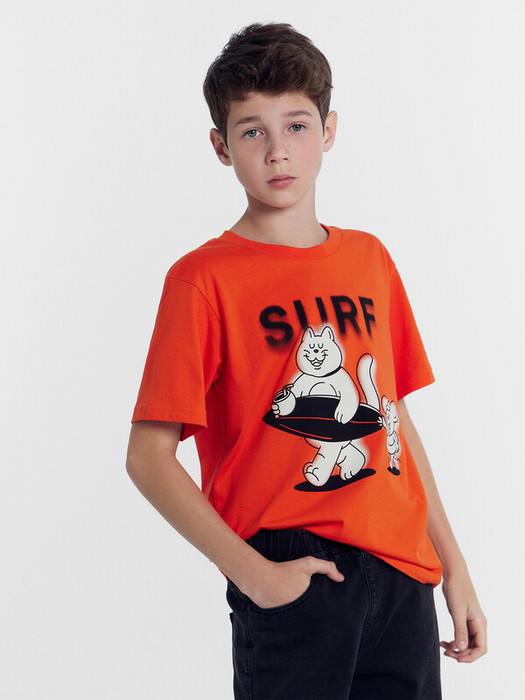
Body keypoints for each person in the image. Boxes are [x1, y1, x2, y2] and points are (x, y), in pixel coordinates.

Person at [126, 22, 487, 699]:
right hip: (290, 568)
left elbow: (392, 418)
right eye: (252, 131)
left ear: (328, 131)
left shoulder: (369, 259)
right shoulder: (203, 279)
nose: (277, 151)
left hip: (403, 571)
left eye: (295, 125)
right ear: (220, 146)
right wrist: (254, 575)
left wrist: (453, 566)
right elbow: (147, 456)